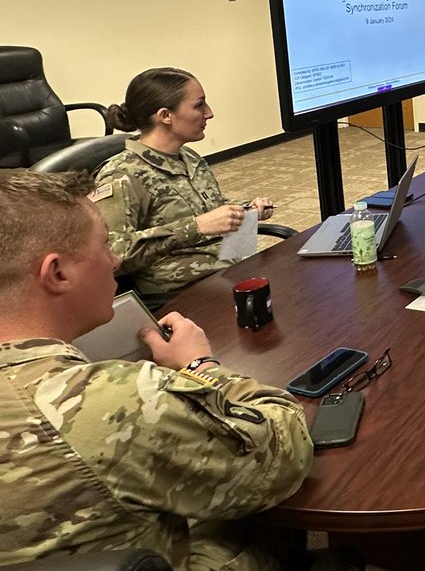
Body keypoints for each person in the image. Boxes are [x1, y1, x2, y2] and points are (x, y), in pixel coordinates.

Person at [0, 169, 313, 568]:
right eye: (103, 247)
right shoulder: (106, 399)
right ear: (57, 272)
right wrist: (199, 366)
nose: (115, 260)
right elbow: (282, 454)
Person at [93, 68, 276, 309]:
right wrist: (196, 227)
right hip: (182, 295)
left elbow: (206, 207)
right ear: (166, 115)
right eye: (199, 105)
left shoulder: (187, 156)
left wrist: (244, 209)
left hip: (227, 269)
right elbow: (110, 255)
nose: (209, 113)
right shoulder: (121, 176)